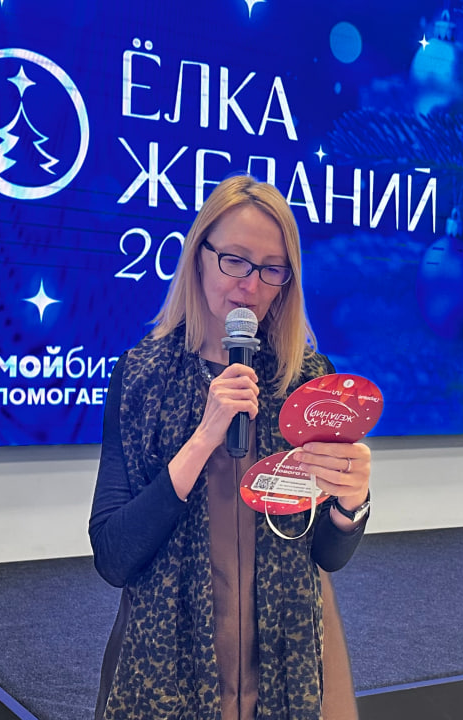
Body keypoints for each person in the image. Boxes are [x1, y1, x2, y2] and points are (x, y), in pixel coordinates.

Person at [89, 175, 372, 720]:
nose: (250, 285)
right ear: (199, 257)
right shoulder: (143, 377)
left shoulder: (308, 382)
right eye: (235, 261)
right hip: (165, 674)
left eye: (271, 268)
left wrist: (350, 503)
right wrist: (204, 436)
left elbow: (326, 557)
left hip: (284, 671)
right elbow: (113, 557)